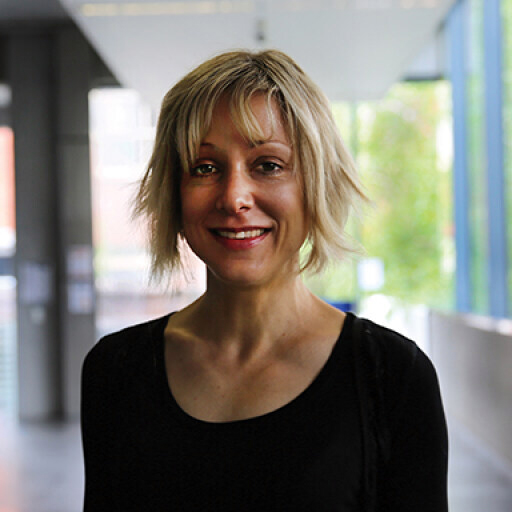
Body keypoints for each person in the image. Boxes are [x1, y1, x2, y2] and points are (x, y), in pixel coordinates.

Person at [81, 49, 448, 511]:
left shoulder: (391, 377)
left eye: (268, 165)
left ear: (316, 184)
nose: (234, 197)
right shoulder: (115, 370)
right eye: (205, 168)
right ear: (175, 192)